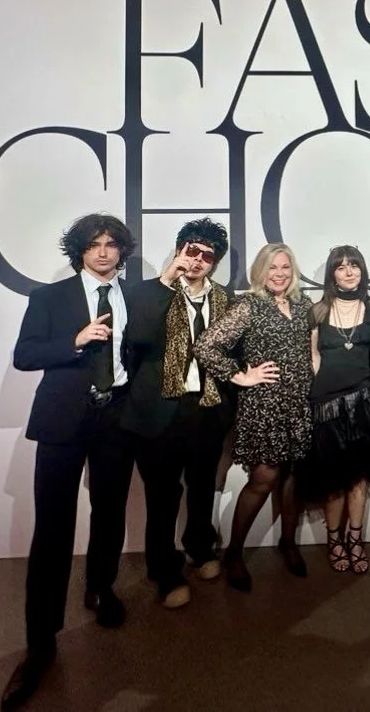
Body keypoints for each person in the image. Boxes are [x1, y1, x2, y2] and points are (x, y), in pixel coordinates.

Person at [1, 213, 138, 711]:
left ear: (121, 251)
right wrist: (75, 342)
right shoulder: (50, 298)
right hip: (62, 420)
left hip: (117, 418)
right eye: (94, 244)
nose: (103, 252)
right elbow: (24, 354)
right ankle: (40, 644)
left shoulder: (135, 296)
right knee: (53, 529)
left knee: (111, 512)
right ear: (79, 250)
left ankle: (100, 589)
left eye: (111, 244)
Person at [121, 218, 234, 610]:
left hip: (206, 410)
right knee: (163, 497)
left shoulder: (225, 299)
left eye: (207, 255)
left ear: (215, 262)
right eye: (191, 251)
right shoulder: (147, 292)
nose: (198, 260)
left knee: (203, 488)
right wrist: (168, 280)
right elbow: (138, 337)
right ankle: (164, 570)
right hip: (159, 412)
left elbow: (234, 352)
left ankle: (200, 550)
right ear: (178, 250)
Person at [195, 242, 313, 592]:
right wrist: (239, 375)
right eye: (272, 267)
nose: (279, 274)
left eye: (285, 267)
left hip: (299, 405)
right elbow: (205, 345)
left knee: (292, 476)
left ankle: (288, 543)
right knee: (264, 478)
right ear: (260, 271)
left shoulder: (304, 305)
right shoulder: (249, 305)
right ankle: (234, 553)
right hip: (264, 406)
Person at [298, 245, 370, 574]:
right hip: (326, 406)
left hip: (365, 405)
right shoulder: (317, 310)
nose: (349, 272)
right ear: (332, 274)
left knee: (359, 480)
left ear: (362, 270)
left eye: (354, 265)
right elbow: (313, 356)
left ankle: (355, 540)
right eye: (341, 267)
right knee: (333, 482)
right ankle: (334, 541)